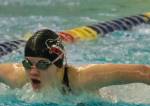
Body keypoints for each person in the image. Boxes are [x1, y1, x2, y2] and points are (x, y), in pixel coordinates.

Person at [0, 29, 150, 95]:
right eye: (28, 63)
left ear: (59, 65)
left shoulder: (82, 79)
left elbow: (143, 72)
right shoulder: (18, 78)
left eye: (42, 64)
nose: (33, 71)